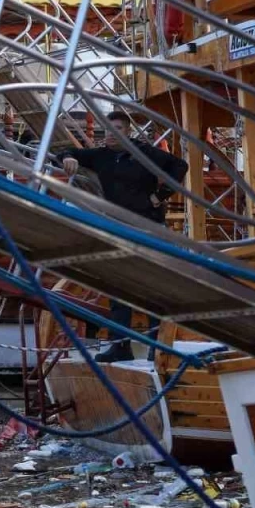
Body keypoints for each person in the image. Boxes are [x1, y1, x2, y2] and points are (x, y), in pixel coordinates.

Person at [61, 110, 188, 362]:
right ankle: (120, 345)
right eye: (107, 128)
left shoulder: (143, 152)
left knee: (152, 286)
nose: (110, 133)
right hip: (118, 227)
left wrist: (158, 197)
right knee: (117, 286)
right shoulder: (102, 156)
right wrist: (68, 158)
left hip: (148, 225)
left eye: (116, 128)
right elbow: (67, 151)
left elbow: (180, 166)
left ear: (128, 131)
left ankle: (156, 346)